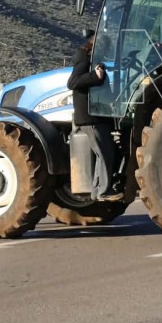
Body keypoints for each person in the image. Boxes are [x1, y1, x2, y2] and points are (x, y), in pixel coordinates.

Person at [66, 30, 120, 201]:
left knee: (103, 153)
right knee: (105, 153)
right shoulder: (84, 58)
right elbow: (73, 82)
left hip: (96, 115)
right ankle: (103, 191)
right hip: (89, 116)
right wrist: (95, 77)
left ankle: (98, 192)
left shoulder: (93, 60)